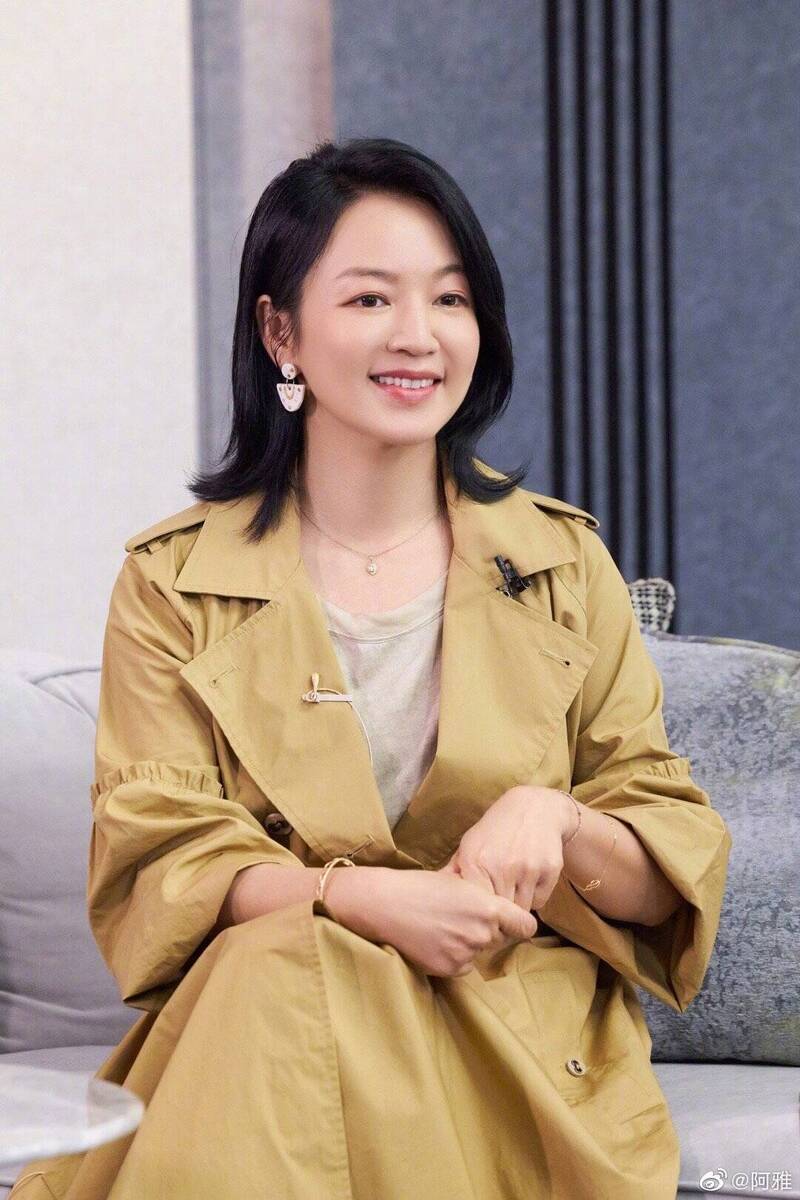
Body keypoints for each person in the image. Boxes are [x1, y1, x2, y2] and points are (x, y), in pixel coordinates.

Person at [10, 137, 731, 1200]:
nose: (417, 336)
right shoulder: (171, 583)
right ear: (279, 331)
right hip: (268, 1020)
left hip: (502, 1021)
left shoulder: (562, 563)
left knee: (280, 971)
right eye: (368, 299)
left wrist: (555, 817)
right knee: (282, 960)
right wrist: (354, 901)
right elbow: (160, 863)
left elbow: (663, 862)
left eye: (449, 298)